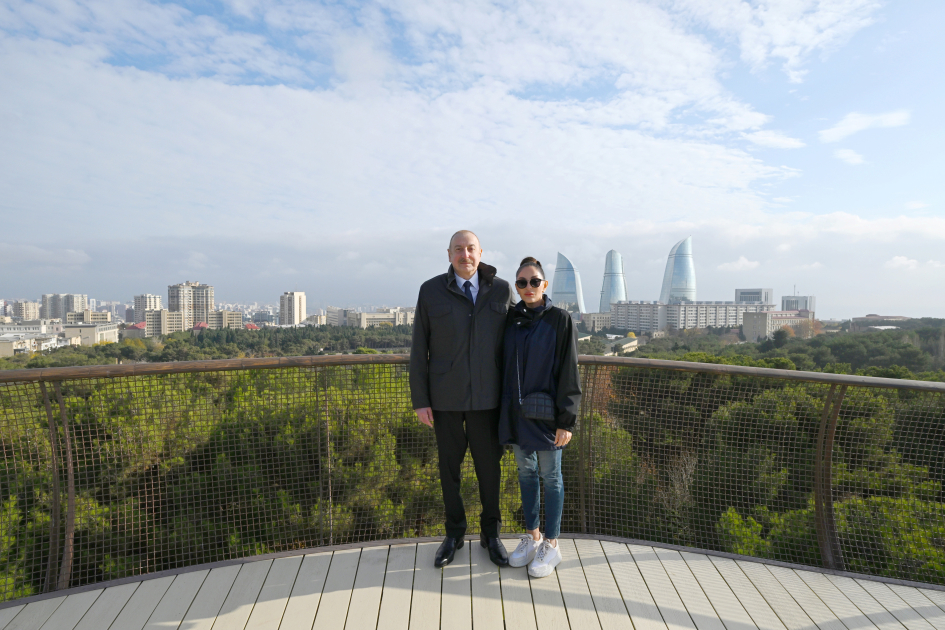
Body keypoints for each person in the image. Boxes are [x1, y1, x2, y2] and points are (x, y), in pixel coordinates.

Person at [409, 230, 516, 568]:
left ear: (480, 252)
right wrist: (420, 399)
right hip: (445, 400)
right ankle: (454, 534)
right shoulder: (430, 291)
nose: (465, 255)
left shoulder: (501, 290)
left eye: (471, 249)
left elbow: (520, 331)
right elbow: (418, 349)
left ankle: (491, 534)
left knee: (490, 471)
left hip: (489, 400)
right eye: (458, 249)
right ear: (449, 254)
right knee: (449, 472)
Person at [499, 257, 581, 578]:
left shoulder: (559, 319)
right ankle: (532, 537)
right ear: (516, 288)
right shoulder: (512, 319)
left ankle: (552, 543)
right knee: (526, 473)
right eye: (522, 283)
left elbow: (569, 372)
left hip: (548, 417)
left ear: (545, 285)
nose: (528, 287)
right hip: (518, 415)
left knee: (551, 476)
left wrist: (567, 421)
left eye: (534, 281)